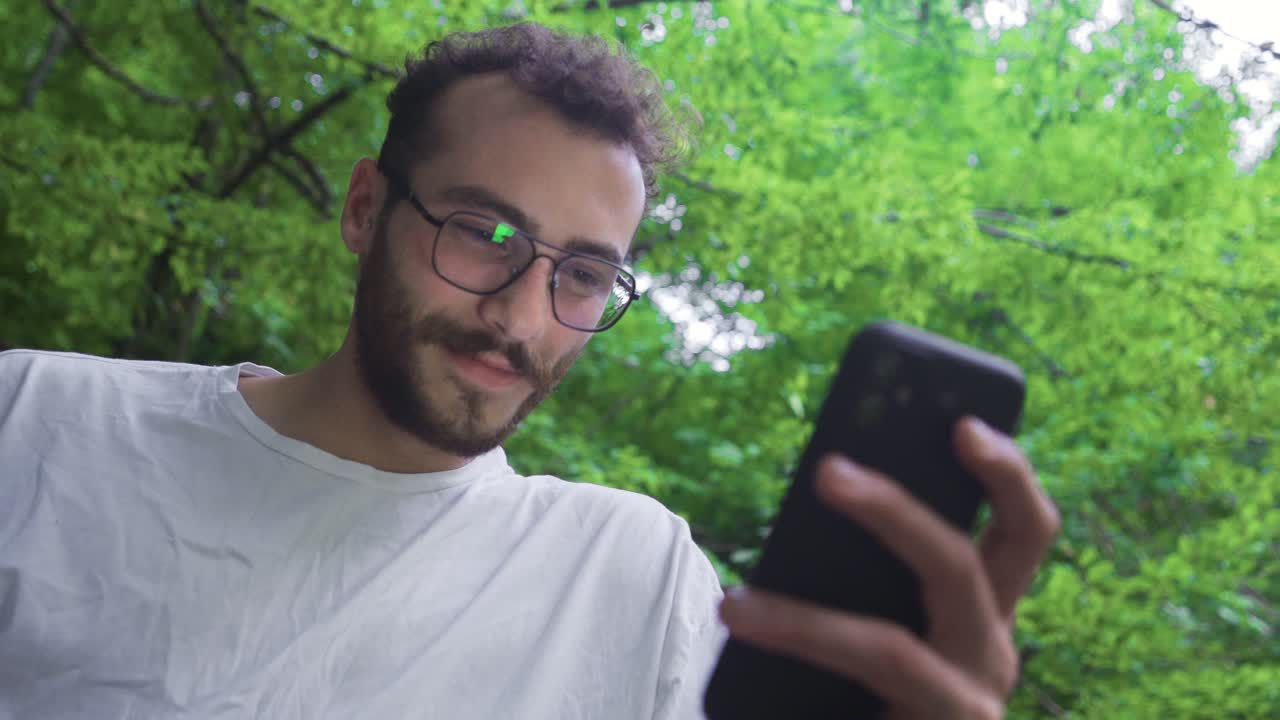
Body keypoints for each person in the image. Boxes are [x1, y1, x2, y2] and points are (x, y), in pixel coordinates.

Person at [0, 22, 1059, 720]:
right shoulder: (37, 420)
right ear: (364, 207)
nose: (517, 314)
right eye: (481, 231)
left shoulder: (629, 574)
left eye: (584, 274)